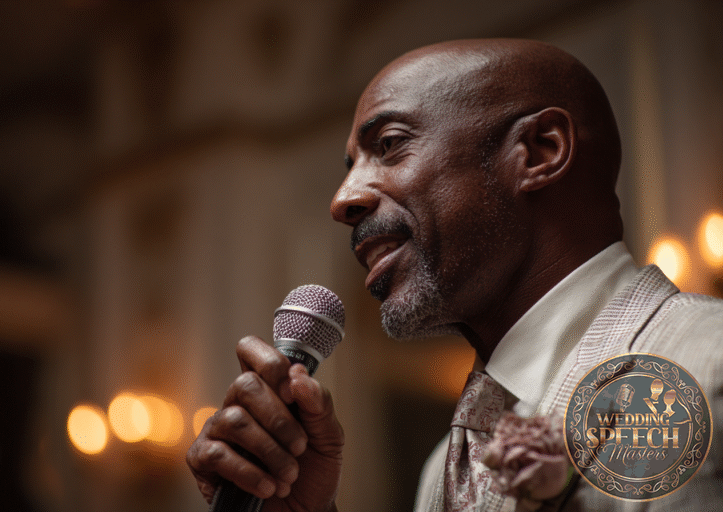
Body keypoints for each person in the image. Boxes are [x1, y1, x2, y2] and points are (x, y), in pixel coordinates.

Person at [187, 39, 723, 511]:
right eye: (350, 165)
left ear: (540, 151)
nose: (342, 200)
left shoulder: (711, 362)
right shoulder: (445, 468)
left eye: (390, 144)